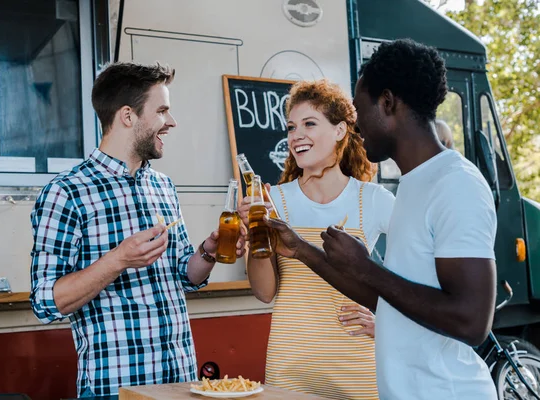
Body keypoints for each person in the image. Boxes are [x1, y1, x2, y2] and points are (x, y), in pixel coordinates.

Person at [265, 39, 498, 400]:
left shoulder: (456, 183)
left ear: (388, 103)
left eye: (359, 110)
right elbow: (392, 298)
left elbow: (471, 322)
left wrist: (366, 267)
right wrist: (301, 250)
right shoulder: (413, 185)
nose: (355, 127)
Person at [29, 62, 246, 397]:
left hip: (180, 384)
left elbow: (183, 277)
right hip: (115, 389)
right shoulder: (66, 192)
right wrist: (118, 259)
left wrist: (208, 251)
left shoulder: (164, 187)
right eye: (161, 111)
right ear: (127, 116)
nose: (171, 122)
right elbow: (46, 301)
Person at [239, 79, 394, 399]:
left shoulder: (374, 199)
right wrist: (258, 233)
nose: (296, 136)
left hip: (359, 365)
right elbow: (264, 292)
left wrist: (389, 323)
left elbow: (419, 274)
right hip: (291, 364)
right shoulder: (271, 200)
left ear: (340, 131)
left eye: (310, 123)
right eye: (291, 127)